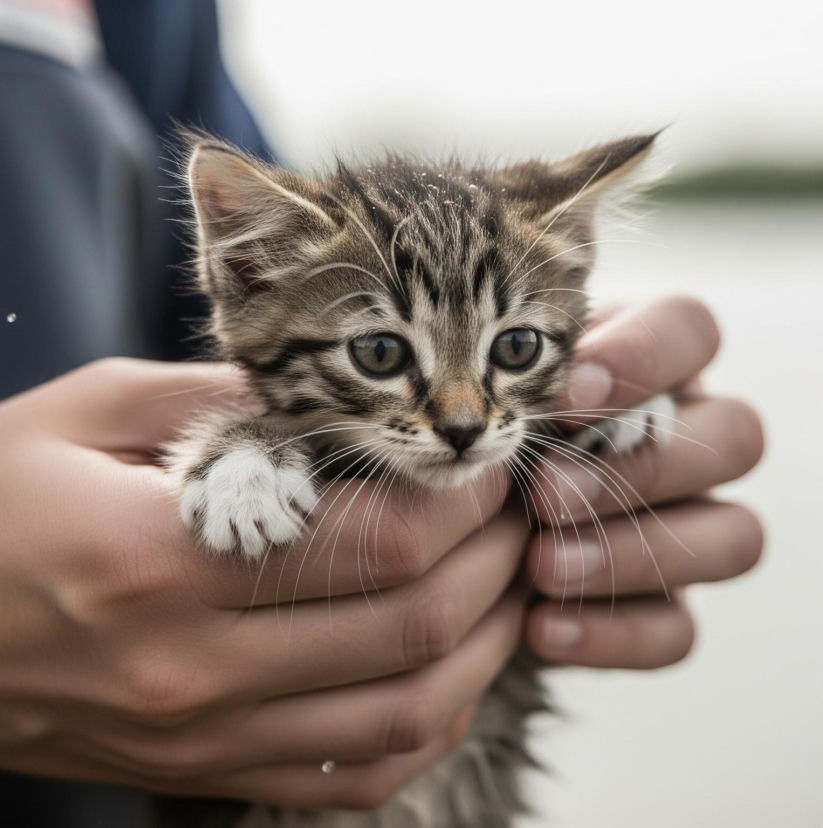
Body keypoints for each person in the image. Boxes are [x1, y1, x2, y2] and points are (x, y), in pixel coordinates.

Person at [0, 1, 764, 824]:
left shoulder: (156, 24)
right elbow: (231, 398)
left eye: (512, 349)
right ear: (248, 275)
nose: (464, 415)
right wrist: (242, 451)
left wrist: (608, 413)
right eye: (382, 353)